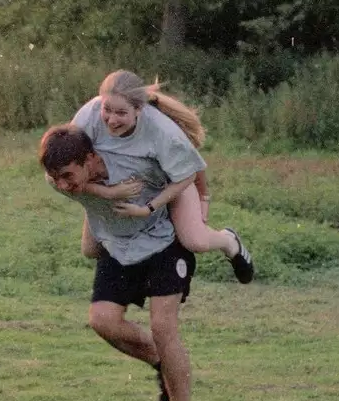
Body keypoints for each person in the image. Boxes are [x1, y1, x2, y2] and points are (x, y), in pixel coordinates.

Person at [39, 115, 203, 401]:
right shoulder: (67, 179)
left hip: (165, 242)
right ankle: (163, 365)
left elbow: (189, 168)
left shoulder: (135, 162)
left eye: (67, 176)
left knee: (163, 326)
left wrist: (201, 207)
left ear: (90, 159)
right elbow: (87, 193)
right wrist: (110, 191)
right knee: (103, 321)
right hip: (120, 245)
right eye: (55, 178)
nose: (62, 186)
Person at [76, 71, 254, 285]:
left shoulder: (162, 131)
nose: (112, 120)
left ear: (139, 109)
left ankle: (228, 240)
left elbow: (190, 172)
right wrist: (106, 193)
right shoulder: (87, 118)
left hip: (170, 183)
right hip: (121, 185)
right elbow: (69, 160)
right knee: (90, 249)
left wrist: (149, 208)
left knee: (194, 240)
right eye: (107, 109)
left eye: (121, 113)